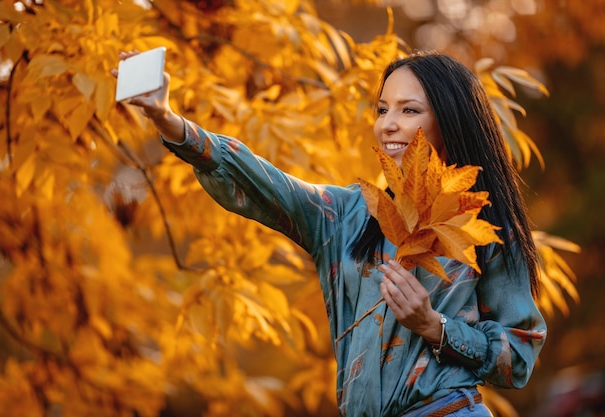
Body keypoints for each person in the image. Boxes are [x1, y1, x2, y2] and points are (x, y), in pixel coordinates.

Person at [114, 50, 547, 416]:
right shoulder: (350, 214)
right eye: (383, 109)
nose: (388, 124)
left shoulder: (484, 225)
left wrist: (435, 327)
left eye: (409, 109)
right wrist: (171, 122)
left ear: (450, 122)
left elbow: (520, 357)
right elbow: (265, 181)